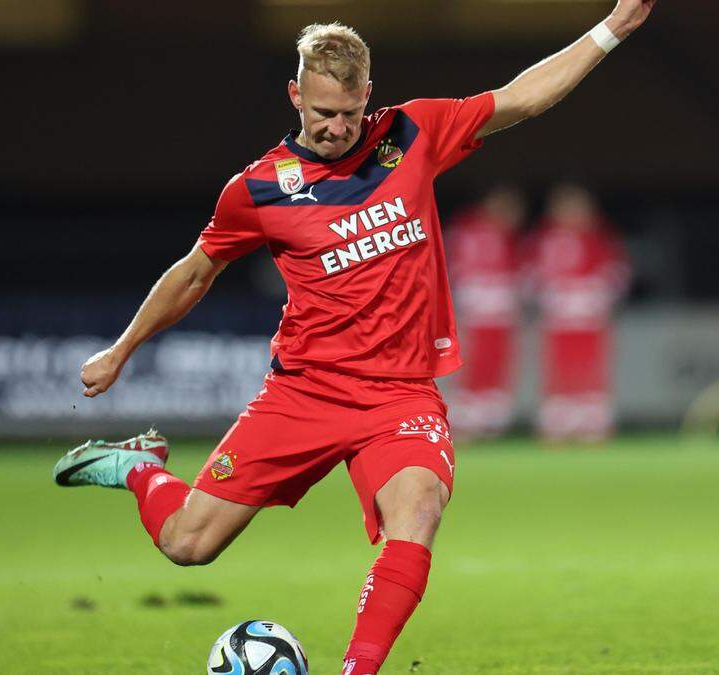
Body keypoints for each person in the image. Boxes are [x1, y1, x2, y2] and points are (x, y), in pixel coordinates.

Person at [52, 5, 656, 673]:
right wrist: (122, 348)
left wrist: (612, 29)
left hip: (400, 395)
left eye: (347, 113)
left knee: (420, 507)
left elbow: (522, 97)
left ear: (367, 95)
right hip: (305, 391)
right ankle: (140, 468)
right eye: (321, 113)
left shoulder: (413, 131)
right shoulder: (257, 189)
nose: (336, 128)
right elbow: (196, 272)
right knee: (186, 544)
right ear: (295, 95)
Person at [525, 183, 632, 441]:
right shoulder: (543, 238)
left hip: (590, 318)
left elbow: (618, 272)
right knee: (560, 369)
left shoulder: (600, 237)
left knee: (591, 369)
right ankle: (558, 423)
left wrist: (599, 293)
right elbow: (530, 274)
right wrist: (546, 295)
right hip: (559, 319)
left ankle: (592, 423)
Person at [445, 186, 527, 438]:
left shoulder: (506, 235)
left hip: (496, 308)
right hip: (472, 307)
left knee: (496, 361)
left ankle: (488, 419)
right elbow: (451, 263)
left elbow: (519, 270)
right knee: (472, 361)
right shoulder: (468, 229)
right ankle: (466, 418)